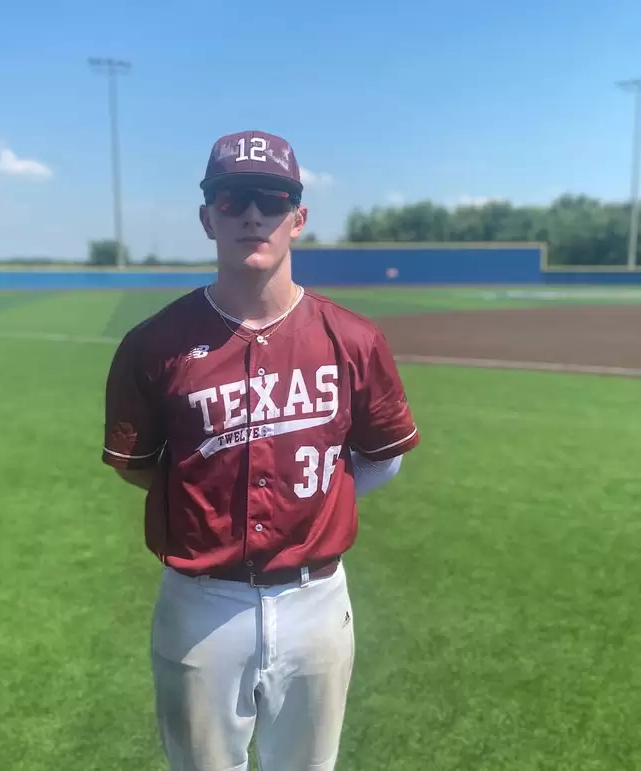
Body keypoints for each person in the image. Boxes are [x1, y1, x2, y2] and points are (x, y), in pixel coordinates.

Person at [101, 130, 420, 771]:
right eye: (232, 198)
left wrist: (317, 499)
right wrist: (211, 494)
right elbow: (142, 468)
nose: (252, 214)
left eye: (272, 200)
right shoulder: (152, 345)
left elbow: (383, 457)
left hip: (316, 599)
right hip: (201, 604)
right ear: (207, 217)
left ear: (297, 219)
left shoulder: (354, 339)